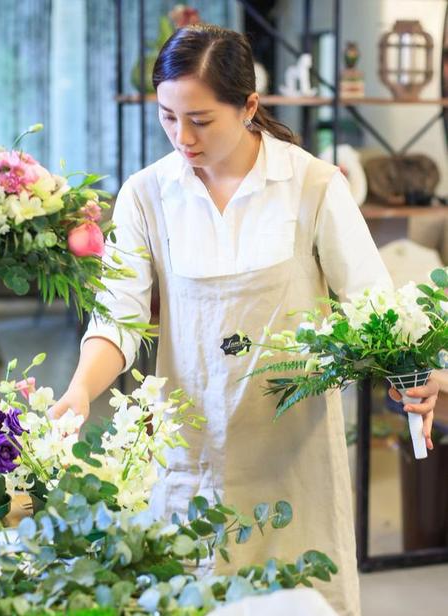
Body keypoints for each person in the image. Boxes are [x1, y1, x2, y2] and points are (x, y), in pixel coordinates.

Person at [49, 25, 440, 616]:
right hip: (189, 451)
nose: (183, 136)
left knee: (301, 598)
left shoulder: (310, 186)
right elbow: (118, 319)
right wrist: (80, 390)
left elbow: (375, 305)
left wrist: (416, 375)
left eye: (201, 120)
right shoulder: (146, 196)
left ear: (249, 106)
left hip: (293, 458)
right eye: (167, 117)